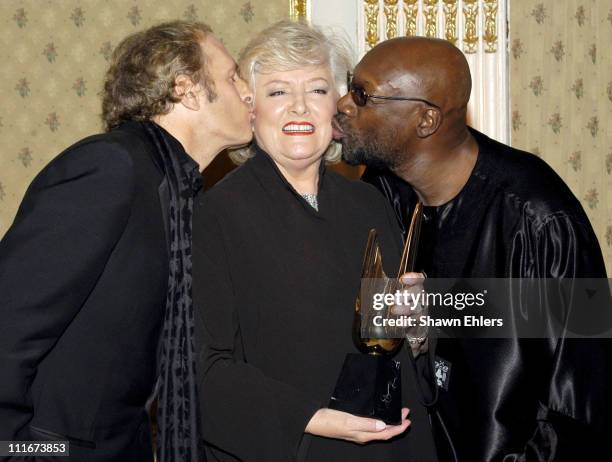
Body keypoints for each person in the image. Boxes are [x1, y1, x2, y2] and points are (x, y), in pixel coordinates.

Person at [335, 36, 611, 461]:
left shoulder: (544, 220)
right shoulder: (384, 191)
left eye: (362, 94)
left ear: (425, 120)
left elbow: (581, 405)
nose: (343, 104)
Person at [0, 21, 253, 461]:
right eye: (232, 76)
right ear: (187, 89)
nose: (246, 91)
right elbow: (8, 323)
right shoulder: (110, 167)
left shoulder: (183, 196)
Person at [192, 21, 438, 462]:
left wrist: (418, 329)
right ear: (250, 109)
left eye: (318, 91)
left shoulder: (370, 202)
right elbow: (203, 369)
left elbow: (391, 343)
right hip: (292, 446)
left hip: (392, 443)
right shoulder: (215, 215)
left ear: (338, 110)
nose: (300, 108)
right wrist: (316, 418)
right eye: (278, 92)